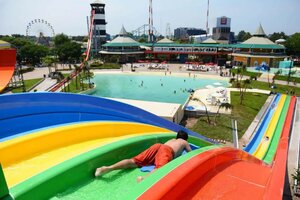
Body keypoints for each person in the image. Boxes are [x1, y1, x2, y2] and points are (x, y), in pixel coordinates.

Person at [94, 130, 192, 181]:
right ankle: (144, 179)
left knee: (134, 161)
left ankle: (107, 168)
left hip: (159, 146)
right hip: (166, 150)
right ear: (185, 139)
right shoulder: (184, 142)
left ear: (177, 136)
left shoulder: (171, 140)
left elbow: (162, 149)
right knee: (160, 168)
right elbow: (191, 153)